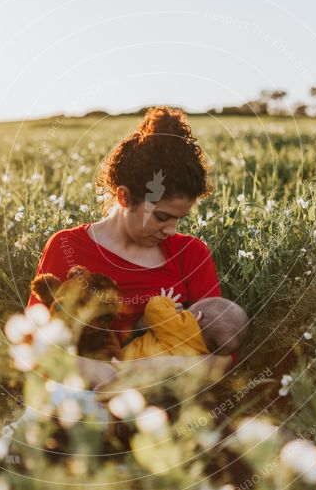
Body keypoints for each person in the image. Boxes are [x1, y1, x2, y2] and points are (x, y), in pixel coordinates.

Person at [27, 106, 244, 363]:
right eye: (161, 217)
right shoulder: (67, 246)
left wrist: (151, 372)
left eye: (179, 219)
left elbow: (222, 356)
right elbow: (35, 342)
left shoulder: (191, 254)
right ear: (124, 197)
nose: (172, 230)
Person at [119, 295, 249, 361]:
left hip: (128, 361)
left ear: (197, 316)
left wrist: (167, 302)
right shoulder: (202, 354)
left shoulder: (183, 325)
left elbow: (154, 310)